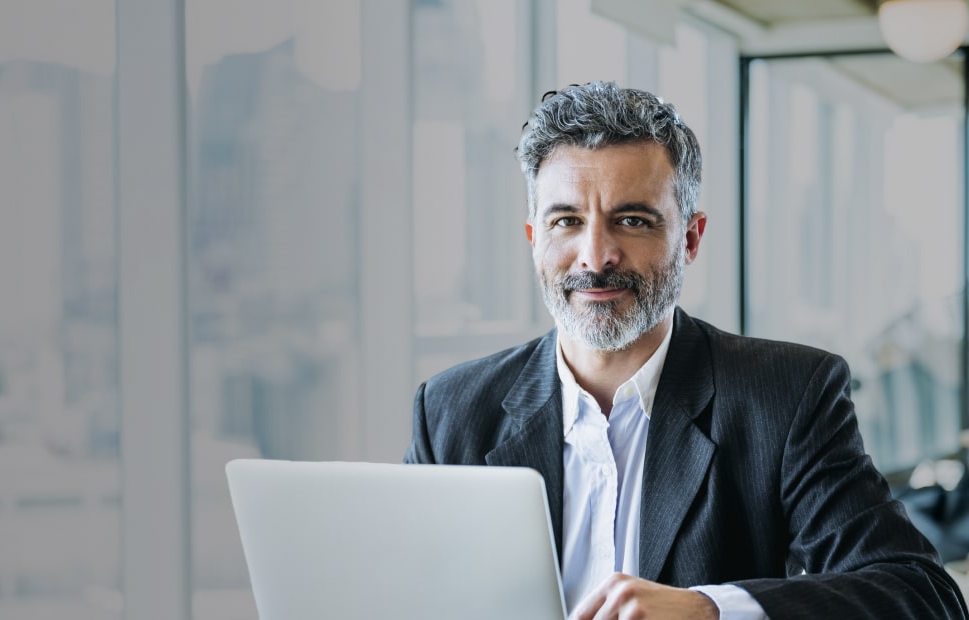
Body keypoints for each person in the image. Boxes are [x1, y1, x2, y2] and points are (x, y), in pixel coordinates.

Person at [403, 81, 969, 619]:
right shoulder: (451, 412)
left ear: (691, 237)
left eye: (632, 221)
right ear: (535, 239)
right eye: (567, 221)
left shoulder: (788, 394)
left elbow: (919, 596)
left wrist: (711, 609)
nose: (595, 256)